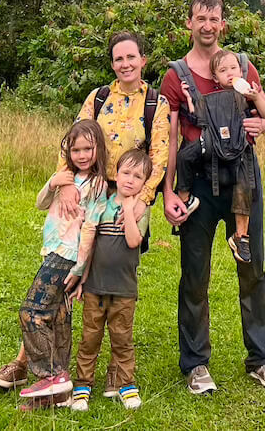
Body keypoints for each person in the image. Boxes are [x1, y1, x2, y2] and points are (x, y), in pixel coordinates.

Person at [0, 30, 169, 394]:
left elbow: (159, 157)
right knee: (71, 281)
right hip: (83, 198)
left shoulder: (155, 104)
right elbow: (73, 139)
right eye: (118, 58)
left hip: (121, 205)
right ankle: (32, 365)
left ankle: (115, 372)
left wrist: (138, 204)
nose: (125, 64)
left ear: (143, 60)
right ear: (112, 63)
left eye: (131, 57)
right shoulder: (98, 97)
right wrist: (66, 181)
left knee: (111, 284)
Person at [161, 0, 265, 395]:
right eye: (200, 18)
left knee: (252, 268)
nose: (207, 25)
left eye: (214, 18)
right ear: (189, 23)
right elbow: (170, 137)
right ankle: (196, 364)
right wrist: (168, 191)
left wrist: (261, 127)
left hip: (243, 179)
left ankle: (261, 359)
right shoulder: (175, 76)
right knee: (195, 276)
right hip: (198, 182)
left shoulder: (243, 66)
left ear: (222, 24)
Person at [16, 120, 108, 408]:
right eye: (75, 149)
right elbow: (41, 202)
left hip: (66, 256)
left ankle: (49, 374)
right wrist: (53, 182)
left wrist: (81, 269)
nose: (81, 155)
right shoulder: (64, 177)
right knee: (57, 319)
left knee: (31, 313)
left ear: (98, 149)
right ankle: (59, 393)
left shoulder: (98, 185)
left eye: (87, 149)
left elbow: (91, 228)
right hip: (52, 251)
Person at [71, 148, 153, 412]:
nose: (130, 180)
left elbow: (133, 241)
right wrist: (82, 278)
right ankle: (83, 385)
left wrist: (129, 209)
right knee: (89, 338)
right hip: (95, 287)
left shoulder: (142, 210)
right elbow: (90, 243)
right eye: (126, 173)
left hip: (124, 289)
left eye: (137, 176)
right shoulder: (101, 205)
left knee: (122, 339)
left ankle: (125, 384)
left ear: (144, 182)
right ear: (116, 174)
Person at [176, 48, 265, 264]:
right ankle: (184, 198)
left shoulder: (247, 94)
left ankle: (241, 236)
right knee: (184, 157)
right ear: (215, 78)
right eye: (223, 70)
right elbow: (195, 116)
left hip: (238, 150)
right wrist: (188, 98)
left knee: (244, 185)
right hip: (210, 148)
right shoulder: (208, 96)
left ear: (241, 71)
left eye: (234, 68)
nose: (230, 73)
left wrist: (256, 98)